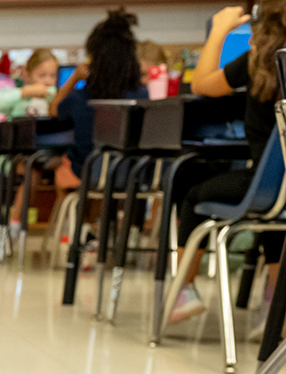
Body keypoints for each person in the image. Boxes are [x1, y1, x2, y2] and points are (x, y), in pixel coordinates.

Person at [168, 3, 282, 327]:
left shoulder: (258, 62)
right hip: (279, 193)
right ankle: (276, 302)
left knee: (193, 188)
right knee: (275, 212)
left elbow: (202, 84)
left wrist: (219, 29)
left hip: (267, 188)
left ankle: (183, 293)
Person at [52, 9, 149, 187]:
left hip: (87, 173)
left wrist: (74, 78)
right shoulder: (141, 96)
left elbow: (53, 110)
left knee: (63, 165)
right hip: (131, 175)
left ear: (94, 59)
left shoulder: (80, 98)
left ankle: (78, 215)